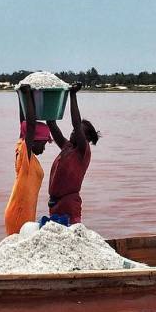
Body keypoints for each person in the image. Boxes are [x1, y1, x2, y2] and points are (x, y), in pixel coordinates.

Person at [46, 83, 99, 225]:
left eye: (78, 132)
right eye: (74, 130)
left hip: (69, 205)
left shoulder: (83, 151)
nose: (73, 131)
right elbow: (51, 124)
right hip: (55, 205)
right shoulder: (67, 147)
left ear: (85, 138)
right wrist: (48, 97)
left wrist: (73, 94)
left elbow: (76, 123)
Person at [4, 84, 52, 236]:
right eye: (44, 143)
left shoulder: (25, 151)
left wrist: (20, 98)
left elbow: (23, 124)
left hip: (25, 212)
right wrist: (27, 95)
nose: (44, 148)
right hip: (19, 212)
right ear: (34, 141)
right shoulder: (26, 154)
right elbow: (30, 125)